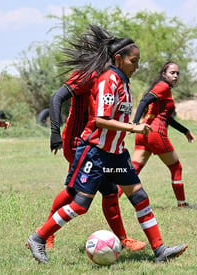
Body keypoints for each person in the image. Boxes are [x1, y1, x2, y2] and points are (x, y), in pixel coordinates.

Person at [26, 25, 188, 264]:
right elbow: (100, 120)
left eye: (139, 61)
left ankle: (159, 249)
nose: (137, 65)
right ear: (119, 59)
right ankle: (39, 238)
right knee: (80, 203)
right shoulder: (107, 81)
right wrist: (133, 127)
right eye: (134, 61)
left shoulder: (124, 83)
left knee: (139, 196)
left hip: (117, 155)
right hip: (94, 153)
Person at [45, 68, 146, 251]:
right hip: (78, 142)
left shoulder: (111, 77)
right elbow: (56, 98)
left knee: (106, 190)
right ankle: (44, 235)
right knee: (79, 191)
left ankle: (123, 240)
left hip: (97, 145)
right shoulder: (86, 74)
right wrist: (54, 133)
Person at [129, 62, 196, 207]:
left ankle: (112, 198)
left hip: (144, 134)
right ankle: (182, 204)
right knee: (176, 167)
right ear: (164, 74)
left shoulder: (161, 88)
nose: (176, 76)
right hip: (155, 133)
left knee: (133, 171)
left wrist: (185, 131)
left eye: (178, 73)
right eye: (172, 73)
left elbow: (167, 118)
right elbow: (144, 101)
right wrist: (135, 123)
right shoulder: (163, 86)